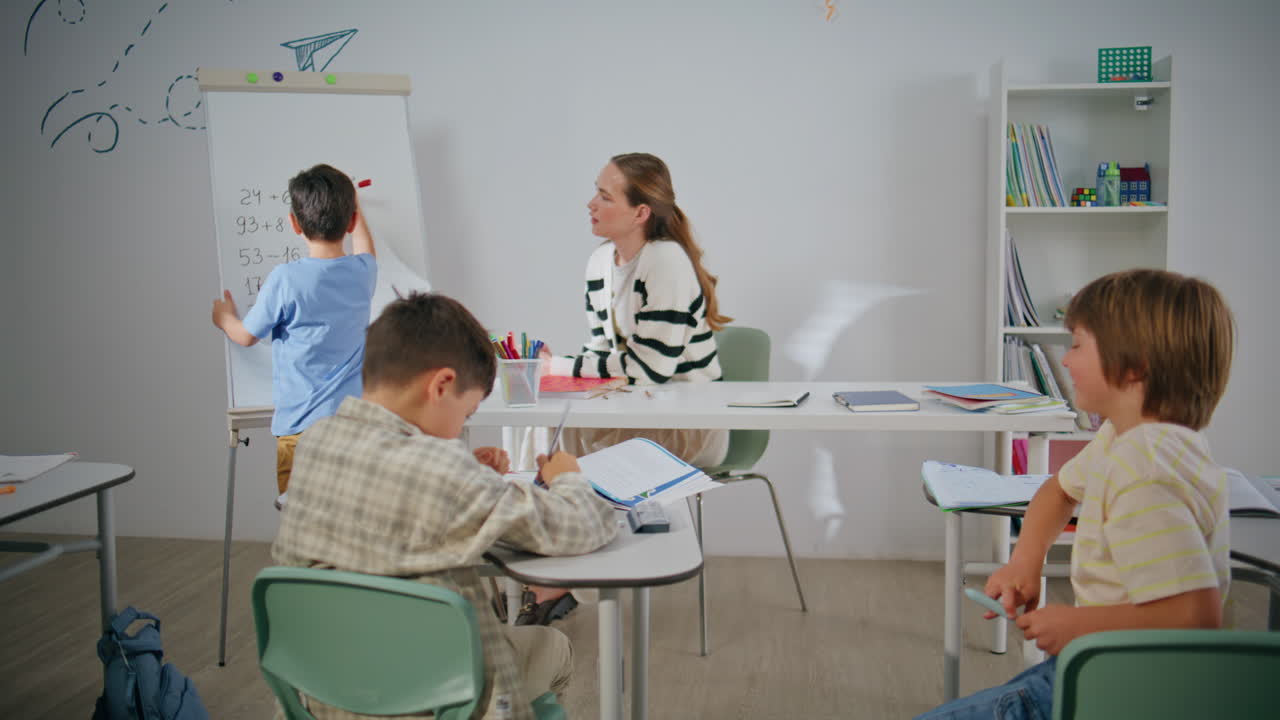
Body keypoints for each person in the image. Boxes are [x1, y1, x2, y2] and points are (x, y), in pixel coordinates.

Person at [272, 292, 618, 720]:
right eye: (467, 413)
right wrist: (568, 476)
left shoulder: (316, 442)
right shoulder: (440, 470)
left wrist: (468, 473)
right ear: (441, 385)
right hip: (433, 700)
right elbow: (580, 529)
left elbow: (392, 500)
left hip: (323, 693)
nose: (462, 427)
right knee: (554, 648)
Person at [916, 268, 1235, 719]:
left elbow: (1195, 618)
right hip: (1106, 666)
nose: (1065, 361)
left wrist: (1081, 625)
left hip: (1128, 687)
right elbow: (1057, 491)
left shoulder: (1145, 467)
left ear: (1134, 364)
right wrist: (1025, 562)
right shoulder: (1131, 438)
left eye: (1079, 344)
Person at [516, 152, 732, 626]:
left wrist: (566, 365)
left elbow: (650, 369)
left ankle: (557, 578)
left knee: (580, 463)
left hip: (687, 424)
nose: (590, 203)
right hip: (632, 410)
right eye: (596, 190)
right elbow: (608, 358)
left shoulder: (666, 261)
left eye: (604, 195)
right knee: (541, 442)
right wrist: (573, 372)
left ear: (640, 212)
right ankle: (548, 566)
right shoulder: (599, 263)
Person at [211, 163, 376, 495]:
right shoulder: (363, 273)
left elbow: (245, 336)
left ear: (294, 223)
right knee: (350, 520)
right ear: (352, 220)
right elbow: (364, 246)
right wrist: (354, 203)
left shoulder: (285, 280)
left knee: (301, 523)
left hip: (302, 430)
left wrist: (224, 318)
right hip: (356, 429)